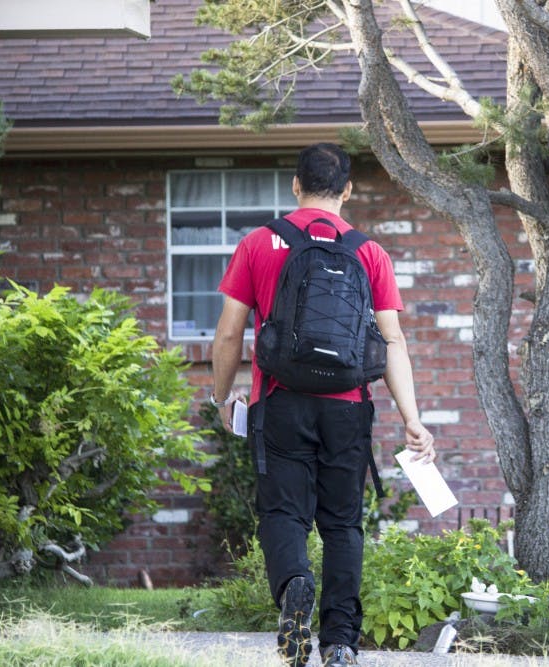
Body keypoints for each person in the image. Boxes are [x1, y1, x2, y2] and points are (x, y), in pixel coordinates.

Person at [210, 143, 435, 667]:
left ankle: (294, 584)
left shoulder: (259, 243)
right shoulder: (369, 252)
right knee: (341, 524)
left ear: (295, 185)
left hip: (280, 401)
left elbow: (227, 335)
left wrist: (222, 397)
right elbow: (393, 341)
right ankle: (340, 643)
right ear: (348, 190)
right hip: (348, 407)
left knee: (283, 513)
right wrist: (411, 418)